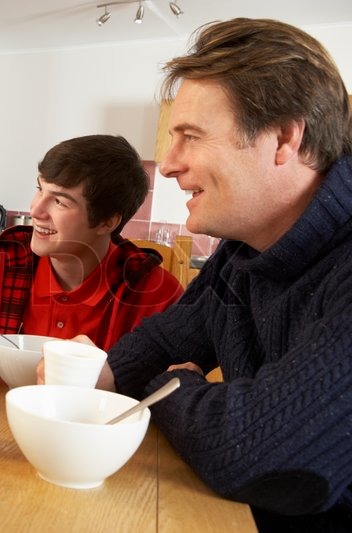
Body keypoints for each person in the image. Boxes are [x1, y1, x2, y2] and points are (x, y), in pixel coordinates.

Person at [94, 19, 352, 531]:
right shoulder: (243, 252)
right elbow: (161, 340)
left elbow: (254, 449)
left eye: (191, 137)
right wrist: (107, 374)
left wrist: (170, 387)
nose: (166, 166)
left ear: (283, 137)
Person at [0, 134, 183, 359]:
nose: (36, 209)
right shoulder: (1, 258)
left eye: (60, 201)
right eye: (40, 189)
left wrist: (111, 375)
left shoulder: (156, 293)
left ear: (107, 222)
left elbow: (175, 385)